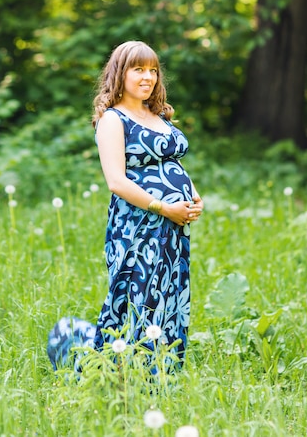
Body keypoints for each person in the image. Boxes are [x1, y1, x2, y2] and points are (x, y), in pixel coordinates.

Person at [47, 40, 203, 370]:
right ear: (120, 73)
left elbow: (169, 162)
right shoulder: (113, 120)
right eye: (138, 70)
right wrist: (165, 206)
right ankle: (108, 372)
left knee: (169, 296)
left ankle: (160, 375)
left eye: (153, 70)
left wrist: (192, 196)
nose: (148, 77)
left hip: (173, 227)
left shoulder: (157, 114)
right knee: (137, 298)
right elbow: (116, 181)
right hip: (138, 226)